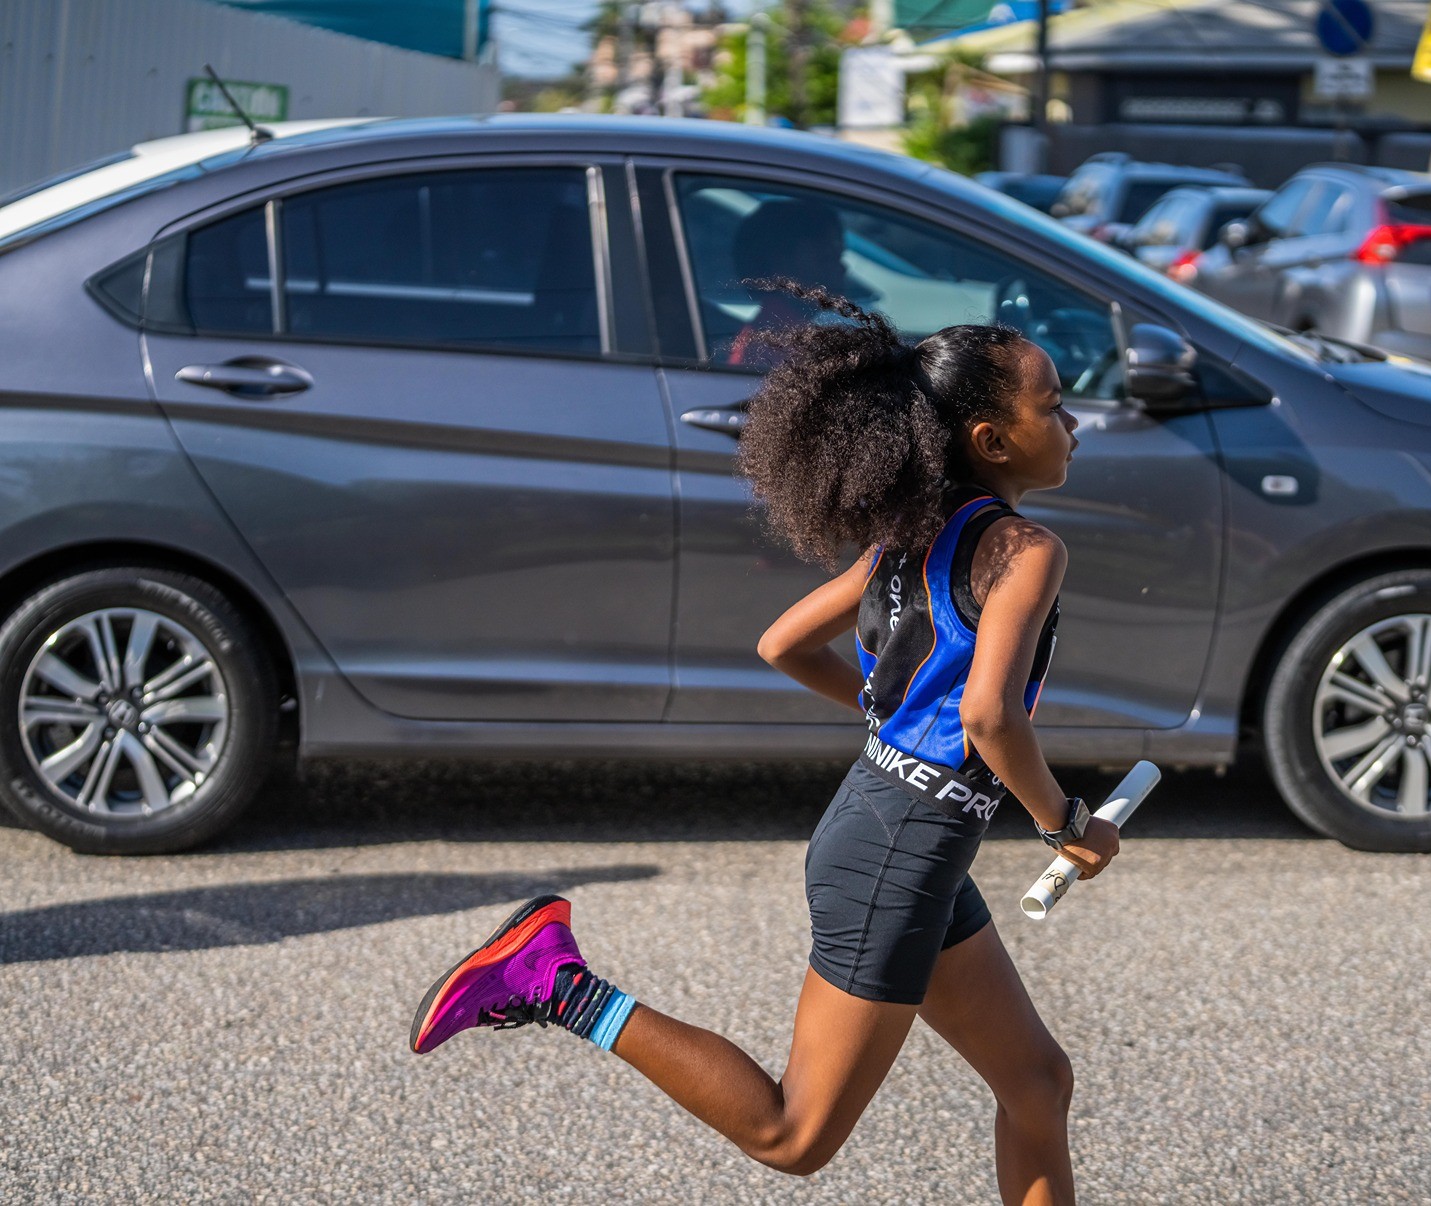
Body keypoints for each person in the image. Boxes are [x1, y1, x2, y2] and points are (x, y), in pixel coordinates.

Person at [408, 282, 1118, 1206]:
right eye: (1052, 406)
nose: (1074, 423)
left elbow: (783, 644)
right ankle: (555, 982)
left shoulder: (912, 534)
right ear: (992, 440)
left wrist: (896, 721)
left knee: (1037, 1083)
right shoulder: (1026, 550)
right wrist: (1066, 824)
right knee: (794, 1135)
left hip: (891, 831)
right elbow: (990, 716)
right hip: (897, 854)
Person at [724, 198, 848, 366]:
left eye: (838, 256)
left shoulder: (775, 329)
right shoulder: (779, 341)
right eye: (825, 258)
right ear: (779, 264)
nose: (842, 268)